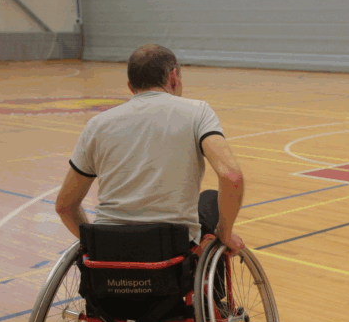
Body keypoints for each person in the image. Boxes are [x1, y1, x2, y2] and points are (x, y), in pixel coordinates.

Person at [55, 44, 246, 254]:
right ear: (174, 77)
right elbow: (231, 176)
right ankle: (214, 285)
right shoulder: (197, 112)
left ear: (131, 86)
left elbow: (65, 206)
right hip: (170, 249)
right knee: (210, 200)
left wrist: (93, 244)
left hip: (109, 247)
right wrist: (225, 234)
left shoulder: (97, 124)